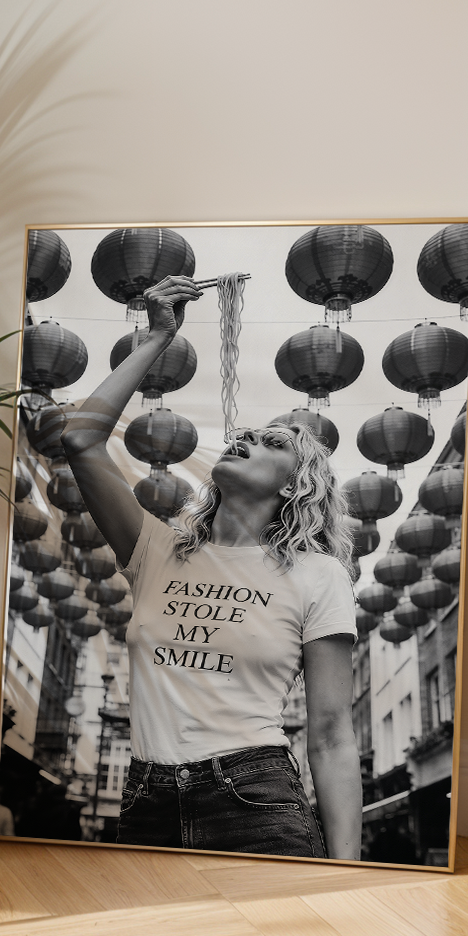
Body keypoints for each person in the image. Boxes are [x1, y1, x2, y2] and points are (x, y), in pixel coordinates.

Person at [61, 275, 361, 859]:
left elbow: (329, 735)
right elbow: (80, 439)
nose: (244, 439)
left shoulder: (317, 575)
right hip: (145, 800)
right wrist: (157, 337)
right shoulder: (156, 551)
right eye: (243, 434)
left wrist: (349, 870)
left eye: (271, 442)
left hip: (254, 797)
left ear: (297, 485)